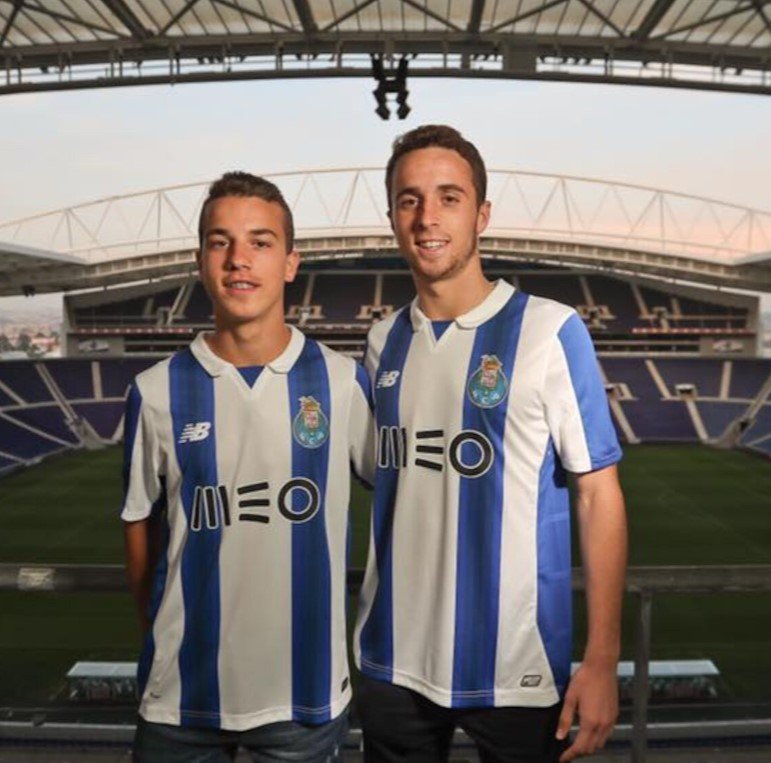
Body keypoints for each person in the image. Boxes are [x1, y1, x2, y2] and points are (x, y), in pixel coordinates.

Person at [354, 126, 627, 762]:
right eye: (409, 200)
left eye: (449, 198)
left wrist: (603, 659)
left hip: (517, 670)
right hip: (391, 663)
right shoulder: (381, 341)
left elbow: (598, 496)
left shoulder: (551, 330)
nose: (427, 217)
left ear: (481, 215)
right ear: (392, 217)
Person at [121, 172, 374, 762]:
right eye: (220, 242)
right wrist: (162, 632)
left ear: (290, 263)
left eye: (260, 242)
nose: (239, 259)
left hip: (304, 701)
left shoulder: (342, 382)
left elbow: (401, 500)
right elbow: (138, 527)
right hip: (179, 701)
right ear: (201, 262)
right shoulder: (154, 390)